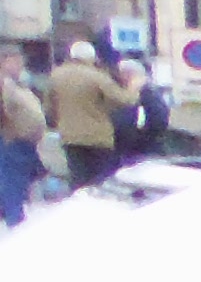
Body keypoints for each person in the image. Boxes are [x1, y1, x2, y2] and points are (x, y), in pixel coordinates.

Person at [41, 39, 118, 190]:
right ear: (91, 57)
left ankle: (78, 201)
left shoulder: (56, 75)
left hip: (70, 136)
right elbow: (122, 99)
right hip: (98, 137)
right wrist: (135, 89)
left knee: (78, 178)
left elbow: (49, 107)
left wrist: (56, 122)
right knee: (100, 181)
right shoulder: (97, 76)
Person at [0, 61, 40, 225]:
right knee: (12, 179)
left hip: (22, 138)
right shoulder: (6, 85)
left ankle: (13, 212)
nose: (19, 65)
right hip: (12, 137)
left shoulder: (16, 85)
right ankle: (14, 217)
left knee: (17, 177)